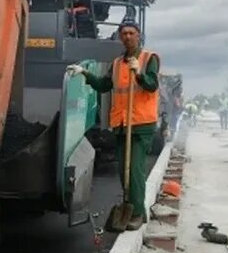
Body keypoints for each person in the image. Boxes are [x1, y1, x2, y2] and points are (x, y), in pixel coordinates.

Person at [66, 18, 160, 231]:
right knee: (123, 172)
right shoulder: (117, 63)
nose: (127, 37)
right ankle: (130, 206)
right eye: (124, 33)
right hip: (121, 124)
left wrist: (139, 74)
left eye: (131, 33)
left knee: (134, 169)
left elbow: (152, 86)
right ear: (120, 37)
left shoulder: (148, 59)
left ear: (138, 35)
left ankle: (137, 213)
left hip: (141, 124)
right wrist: (86, 74)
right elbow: (104, 85)